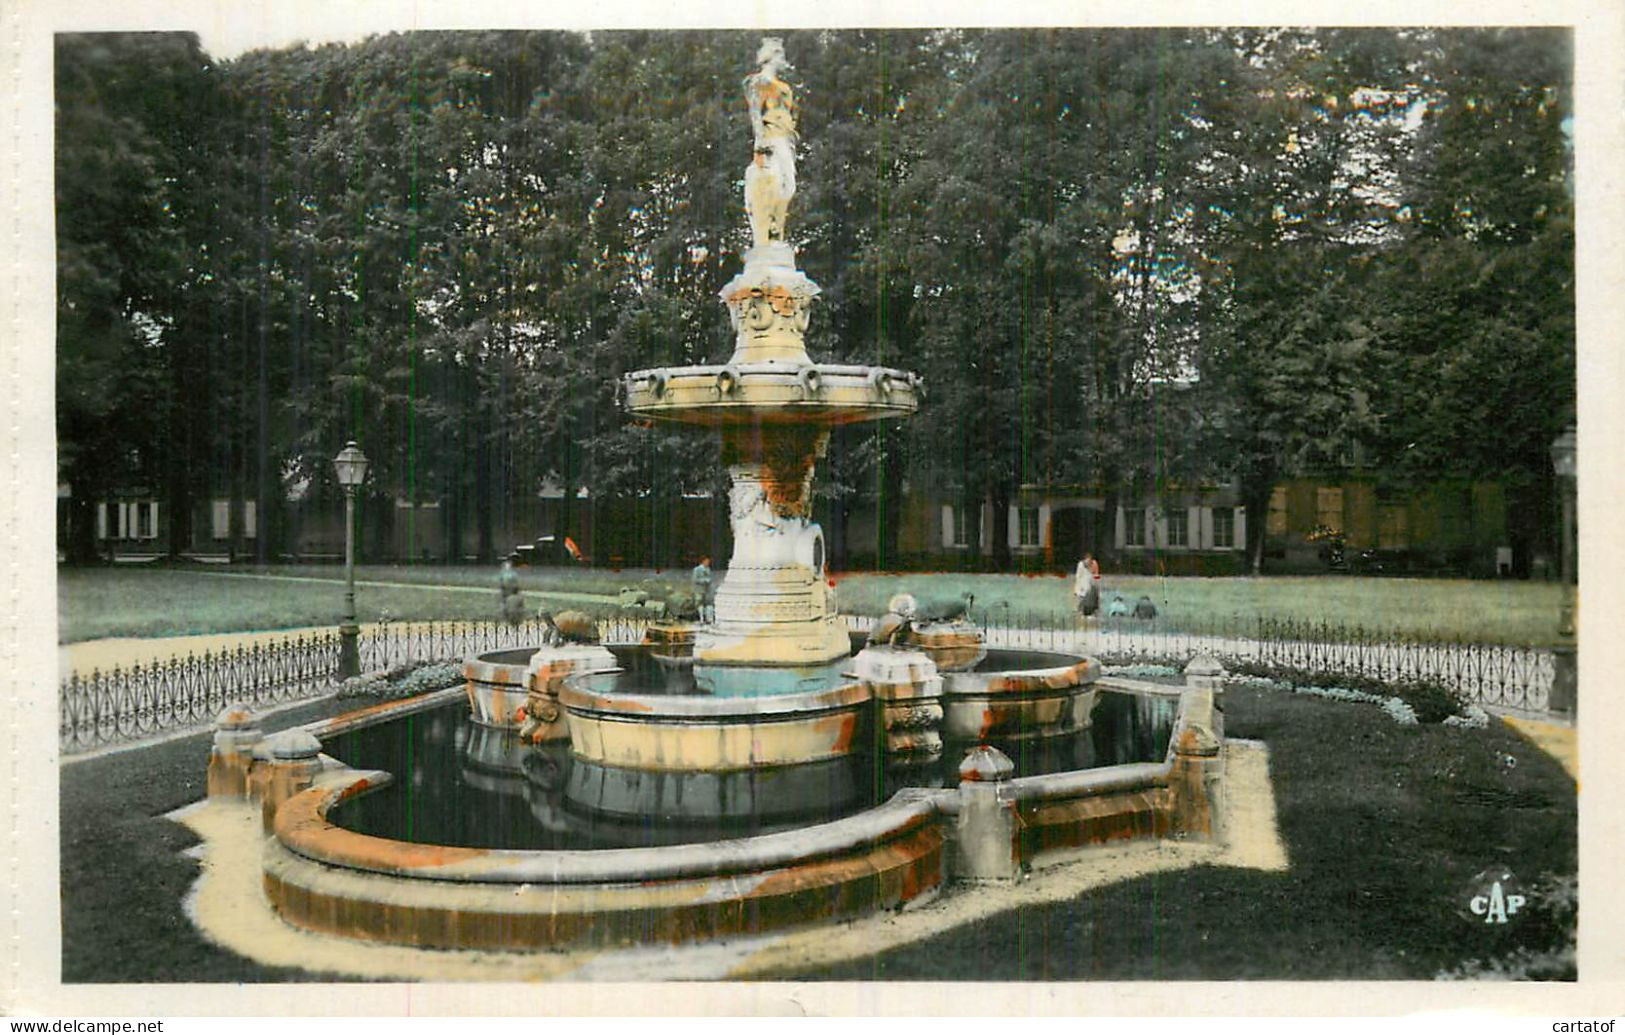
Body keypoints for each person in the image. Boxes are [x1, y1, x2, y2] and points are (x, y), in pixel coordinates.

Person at [497, 559, 524, 625]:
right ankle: (507, 619)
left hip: (510, 592)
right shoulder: (503, 574)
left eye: (508, 566)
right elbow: (501, 583)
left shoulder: (512, 574)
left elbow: (516, 584)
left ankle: (512, 619)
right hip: (506, 592)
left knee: (510, 606)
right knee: (505, 606)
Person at [691, 556, 715, 623]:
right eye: (707, 561)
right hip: (698, 590)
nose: (708, 563)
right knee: (699, 604)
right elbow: (694, 579)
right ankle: (701, 618)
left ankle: (707, 618)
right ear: (703, 561)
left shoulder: (708, 569)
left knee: (706, 604)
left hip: (706, 590)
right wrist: (704, 580)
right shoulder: (697, 569)